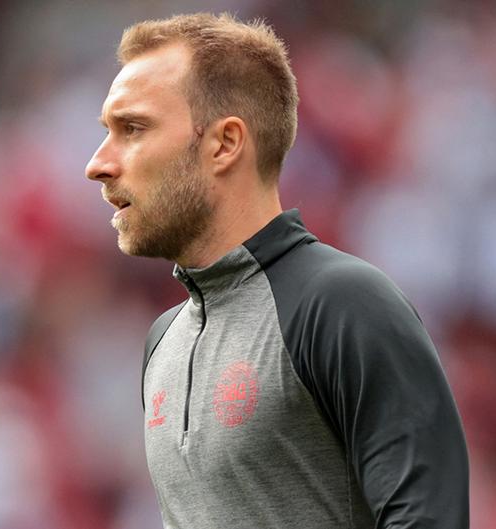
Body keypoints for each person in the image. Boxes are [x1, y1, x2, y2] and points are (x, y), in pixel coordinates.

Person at [85, 12, 469, 529]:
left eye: (133, 128)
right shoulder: (164, 342)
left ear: (224, 144)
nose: (98, 163)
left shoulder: (342, 303)